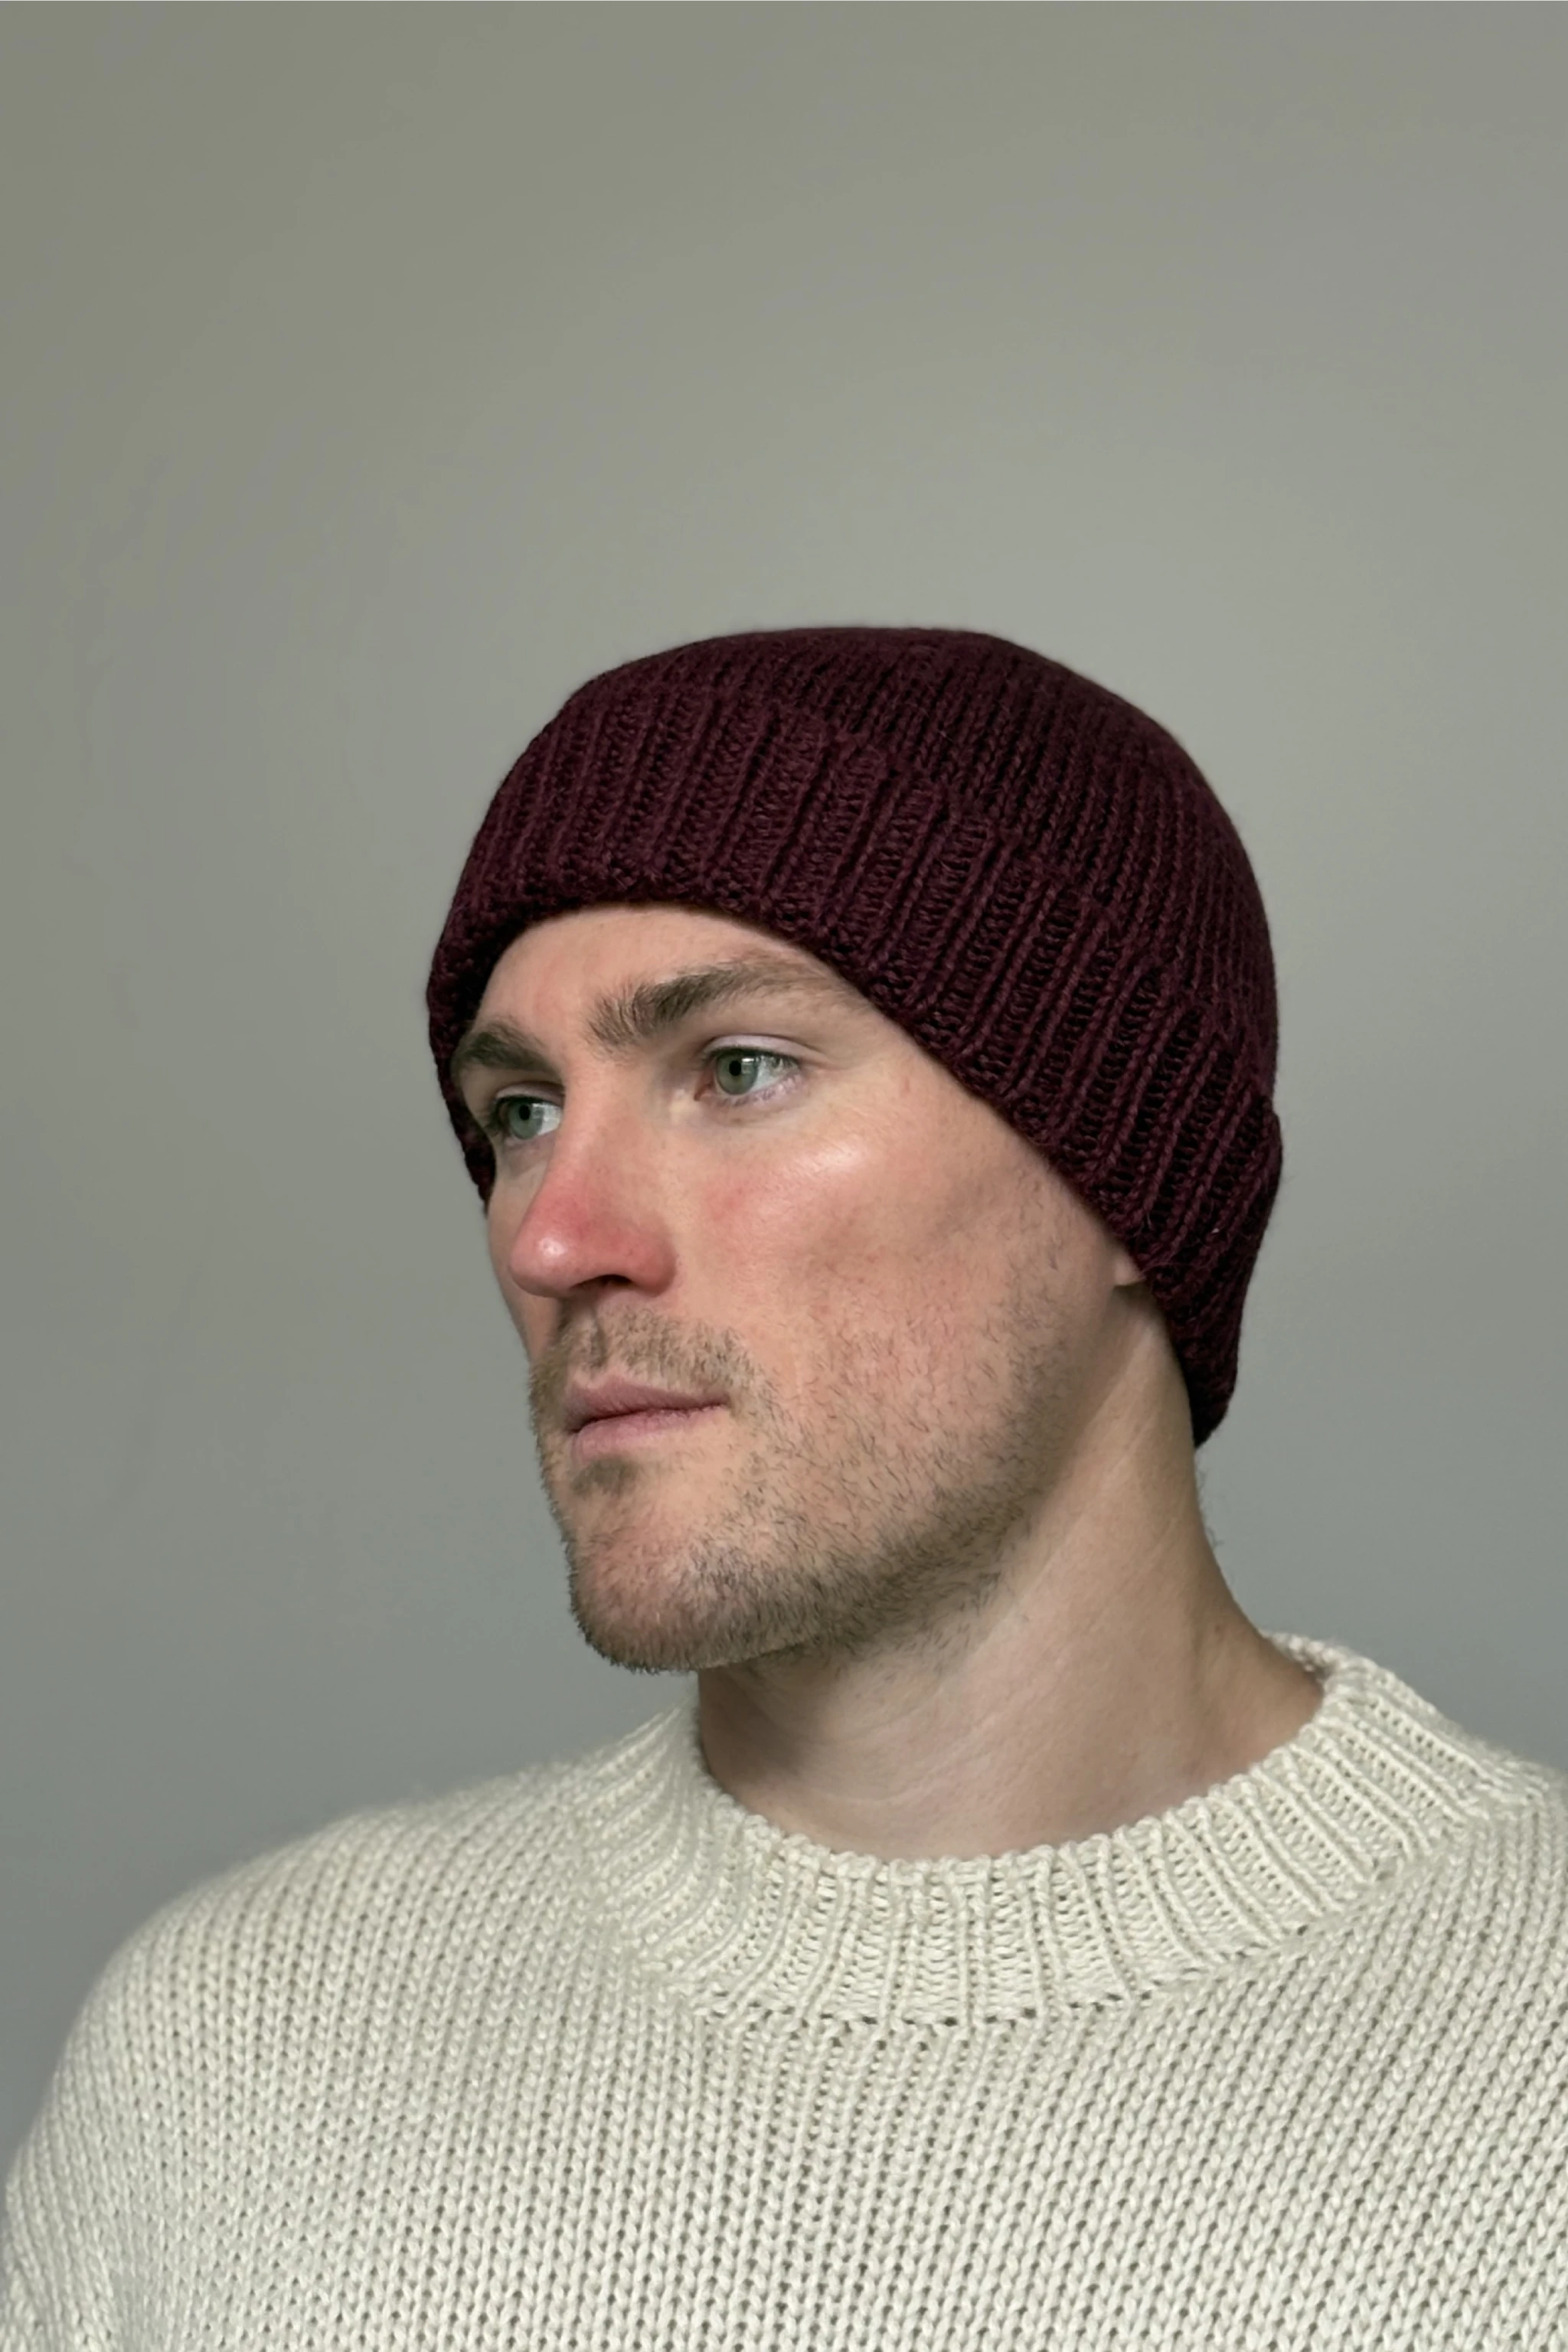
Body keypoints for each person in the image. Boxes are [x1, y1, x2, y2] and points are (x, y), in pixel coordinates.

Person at [3, 627, 1564, 2348]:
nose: (551, 1233)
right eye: (521, 1108)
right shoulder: (237, 2058)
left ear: (1127, 1181)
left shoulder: (1527, 2063)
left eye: (736, 1071)